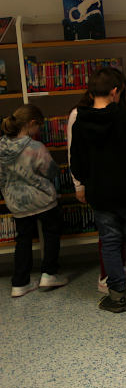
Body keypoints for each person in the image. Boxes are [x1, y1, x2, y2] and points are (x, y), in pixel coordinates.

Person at [70, 67, 126, 312]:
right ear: (115, 91)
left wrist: (88, 182)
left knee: (109, 242)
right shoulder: (125, 118)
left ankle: (116, 296)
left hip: (100, 193)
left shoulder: (80, 121)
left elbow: (76, 162)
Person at [0, 104, 68, 297]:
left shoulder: (1, 146)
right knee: (52, 232)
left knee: (23, 239)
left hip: (17, 203)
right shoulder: (35, 147)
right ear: (31, 124)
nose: (38, 131)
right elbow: (51, 171)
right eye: (38, 127)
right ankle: (49, 273)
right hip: (42, 200)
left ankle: (20, 283)